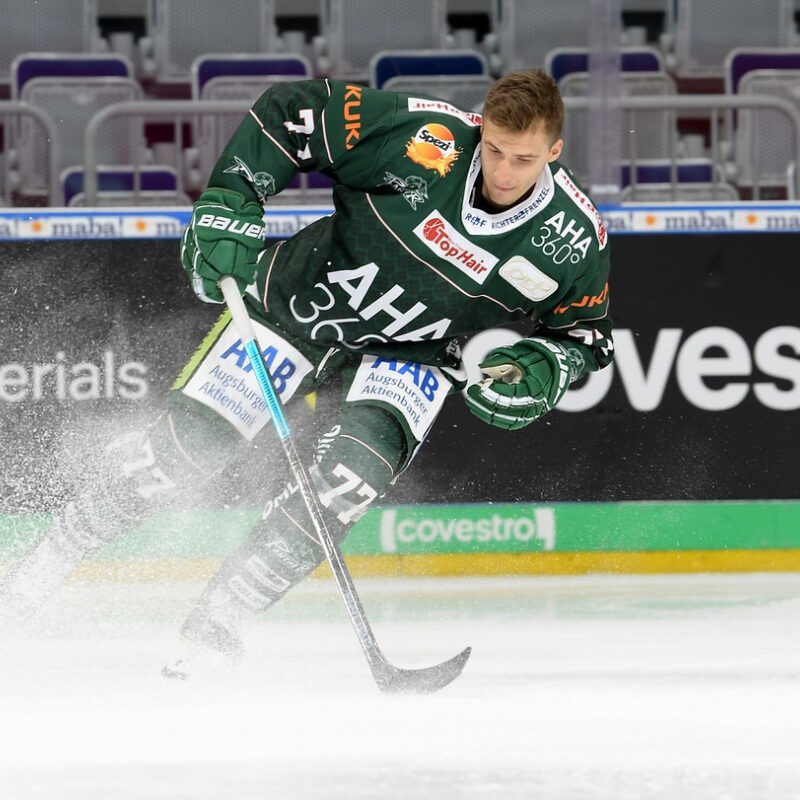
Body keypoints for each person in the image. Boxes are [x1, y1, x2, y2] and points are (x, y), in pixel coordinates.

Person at [0, 70, 614, 675]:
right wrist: (235, 196)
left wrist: (544, 365)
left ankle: (217, 623)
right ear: (481, 128)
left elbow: (583, 336)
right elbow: (293, 109)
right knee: (183, 453)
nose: (503, 173)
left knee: (348, 481)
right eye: (495, 151)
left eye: (524, 160)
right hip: (294, 304)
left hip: (411, 353)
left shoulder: (574, 237)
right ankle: (45, 566)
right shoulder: (424, 137)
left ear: (555, 153)